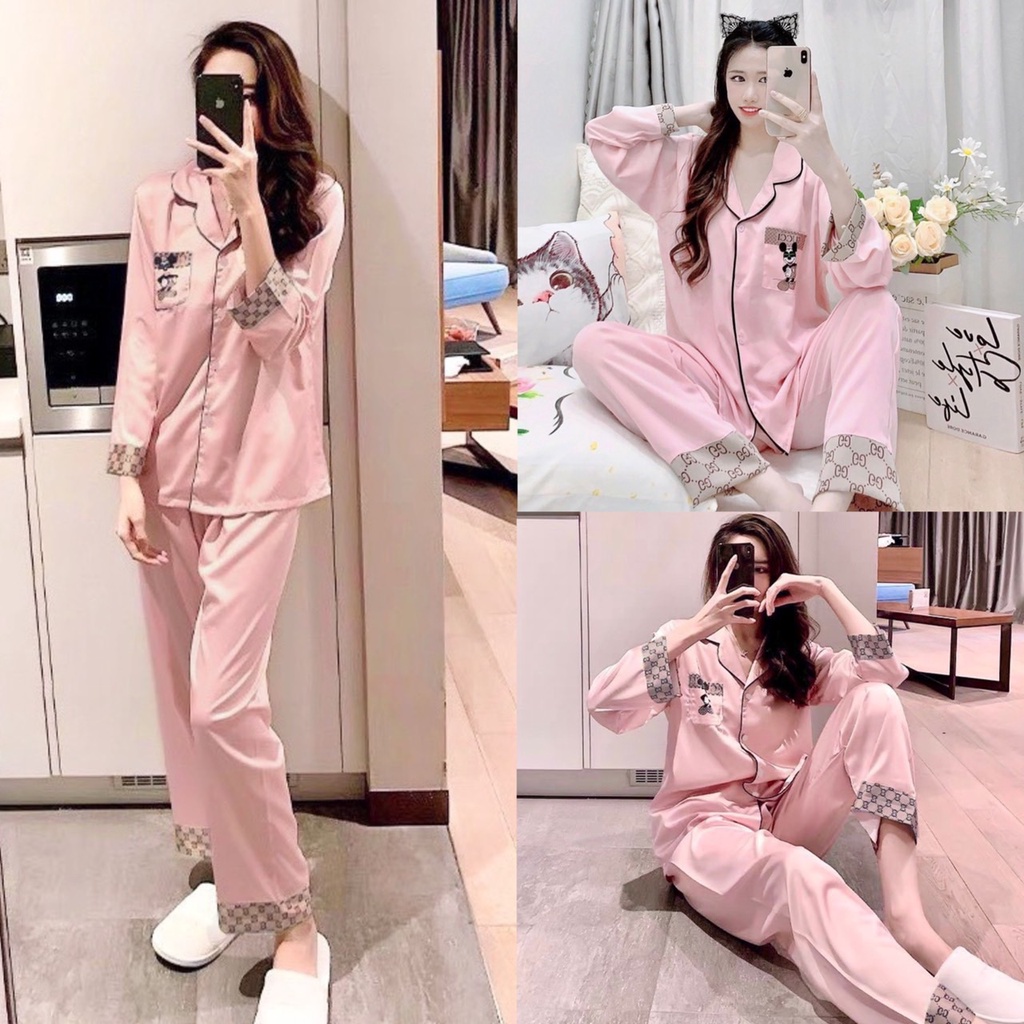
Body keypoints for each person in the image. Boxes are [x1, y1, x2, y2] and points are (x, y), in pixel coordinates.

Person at [107, 20, 344, 1023]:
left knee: (223, 703)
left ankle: (295, 926)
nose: (225, 111)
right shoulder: (156, 202)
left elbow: (276, 333)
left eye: (242, 93)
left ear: (271, 103)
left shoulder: (314, 204)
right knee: (182, 699)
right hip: (168, 484)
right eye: (211, 93)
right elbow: (142, 341)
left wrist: (250, 206)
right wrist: (126, 470)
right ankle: (224, 882)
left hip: (259, 481)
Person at [588, 514, 1024, 1024]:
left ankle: (910, 925)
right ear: (716, 574)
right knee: (801, 875)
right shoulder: (684, 648)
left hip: (787, 814)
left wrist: (826, 590)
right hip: (705, 832)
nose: (750, 580)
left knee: (877, 701)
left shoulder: (795, 658)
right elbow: (605, 705)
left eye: (763, 569)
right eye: (737, 566)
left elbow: (885, 675)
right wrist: (695, 627)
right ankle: (946, 1018)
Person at [573, 15, 903, 512]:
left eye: (766, 79)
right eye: (738, 78)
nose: (750, 94)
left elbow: (868, 274)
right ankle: (763, 485)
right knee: (593, 344)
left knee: (877, 306)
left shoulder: (811, 176)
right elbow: (604, 136)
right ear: (721, 83)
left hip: (798, 393)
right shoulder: (683, 165)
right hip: (709, 394)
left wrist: (829, 162)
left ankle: (834, 501)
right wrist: (691, 114)